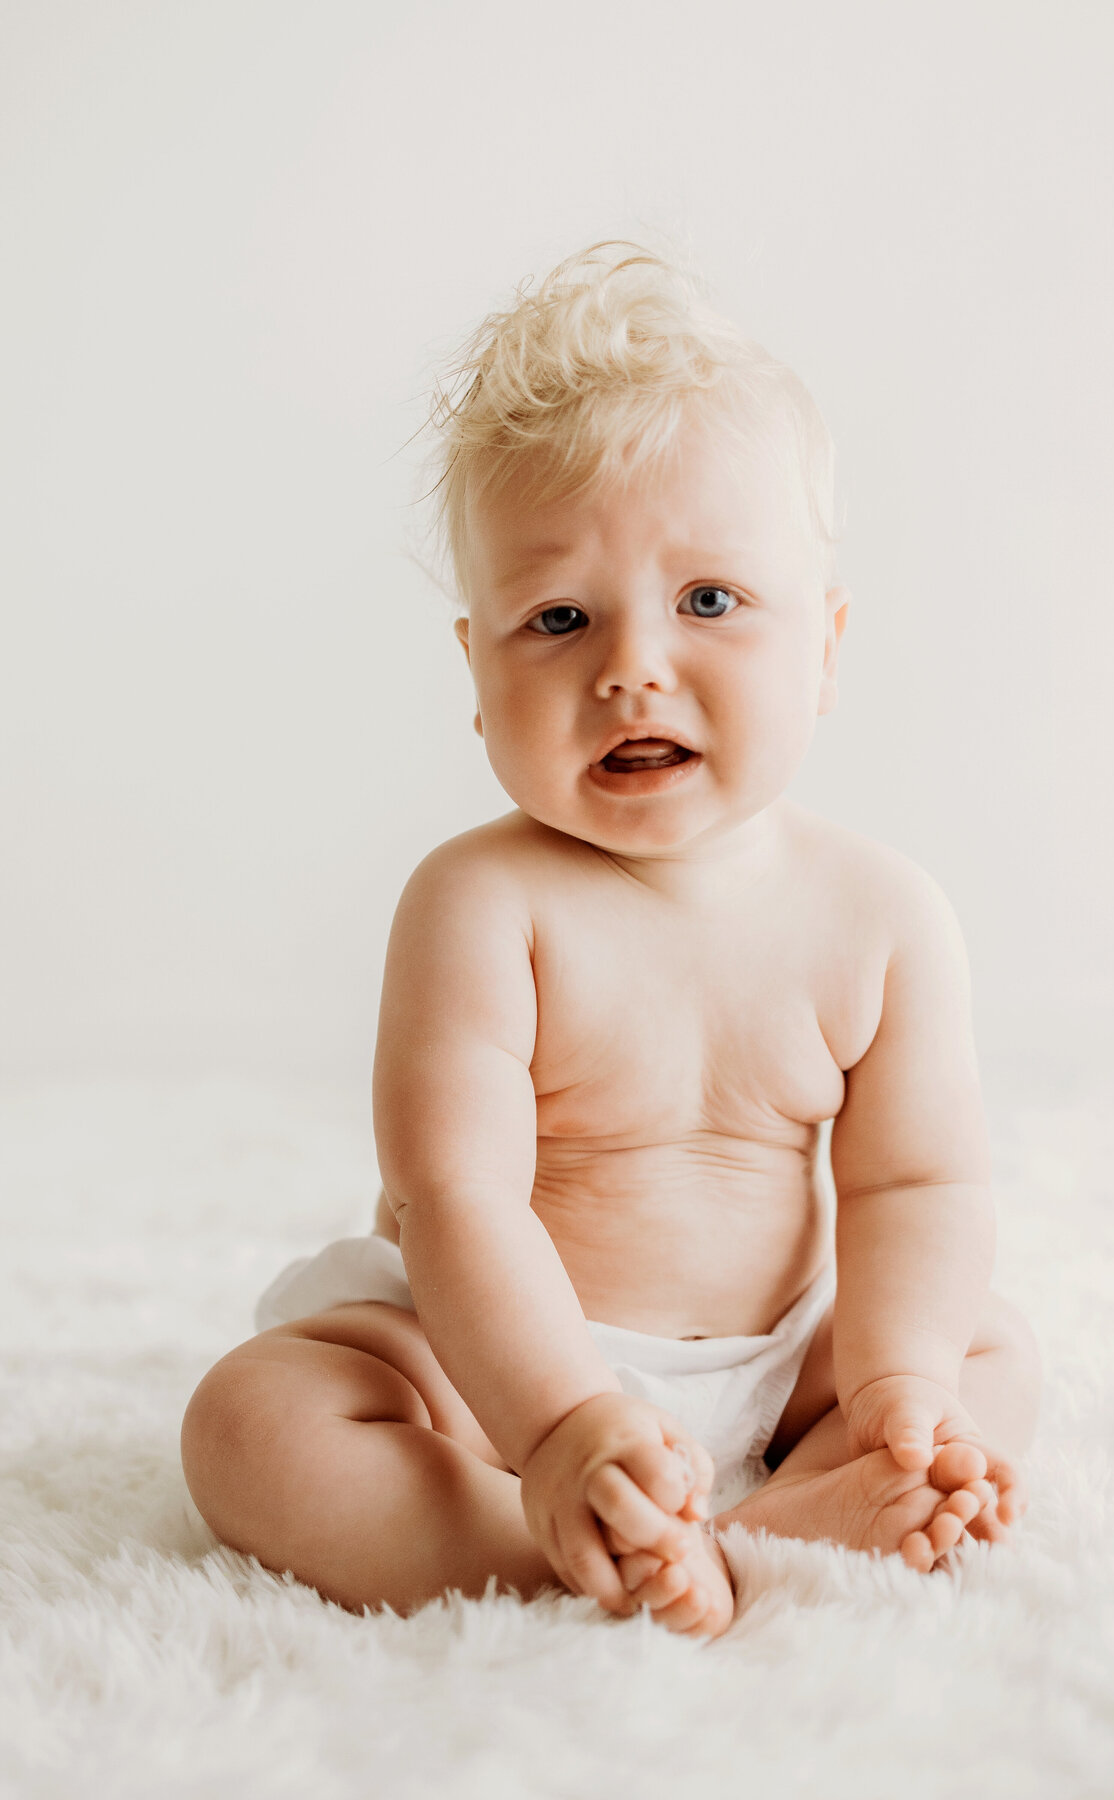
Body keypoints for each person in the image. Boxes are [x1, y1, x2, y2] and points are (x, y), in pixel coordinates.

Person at [181, 242, 1041, 1640]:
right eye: (560, 618)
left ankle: (766, 1516)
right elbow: (457, 1200)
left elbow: (916, 1184)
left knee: (989, 1351)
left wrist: (895, 1390)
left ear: (825, 648)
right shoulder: (480, 905)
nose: (632, 666)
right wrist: (560, 1427)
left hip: (779, 1356)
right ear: (477, 673)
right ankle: (552, 1542)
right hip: (494, 1367)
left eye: (709, 601)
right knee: (253, 1422)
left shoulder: (882, 917)